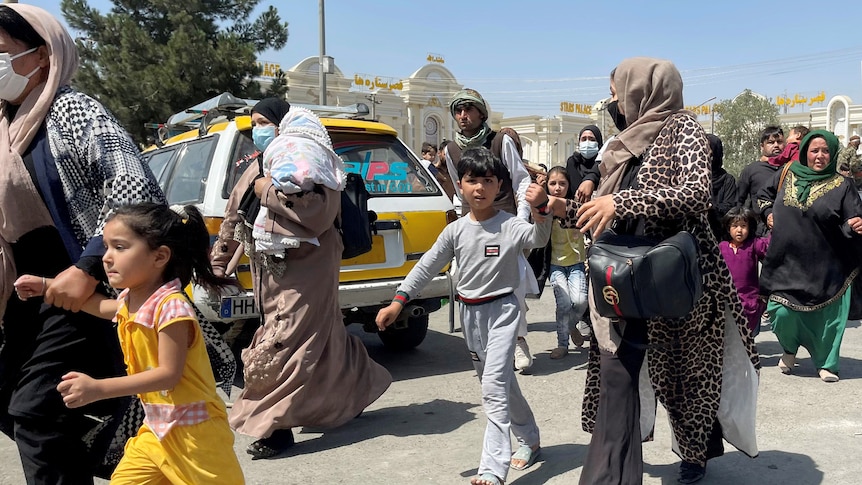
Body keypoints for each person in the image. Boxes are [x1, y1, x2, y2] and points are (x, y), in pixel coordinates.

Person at [529, 57, 759, 484]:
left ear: (643, 89)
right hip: (623, 277)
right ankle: (615, 465)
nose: (613, 100)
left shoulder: (682, 129)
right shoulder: (624, 142)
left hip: (677, 280)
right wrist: (563, 209)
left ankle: (694, 455)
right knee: (619, 374)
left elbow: (694, 194)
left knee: (683, 376)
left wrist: (622, 202)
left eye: (617, 91)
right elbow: (608, 212)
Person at [0, 5, 167, 483]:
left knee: (35, 409)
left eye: (2, 51)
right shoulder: (3, 124)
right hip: (25, 293)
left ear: (42, 56)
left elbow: (136, 189)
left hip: (83, 289)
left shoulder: (72, 111)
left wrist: (90, 265)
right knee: (13, 401)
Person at [15, 203, 245, 484]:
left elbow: (167, 375)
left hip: (196, 434)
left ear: (159, 256)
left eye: (120, 247)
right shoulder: (131, 300)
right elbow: (100, 307)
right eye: (107, 247)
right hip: (156, 431)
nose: (107, 258)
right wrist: (47, 286)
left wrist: (98, 388)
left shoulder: (171, 308)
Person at [211, 105, 392, 460]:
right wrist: (219, 261)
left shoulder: (312, 164)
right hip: (269, 271)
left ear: (284, 125)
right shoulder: (257, 166)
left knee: (286, 341)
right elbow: (234, 216)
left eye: (265, 123)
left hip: (310, 268)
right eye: (255, 125)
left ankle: (274, 427)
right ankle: (359, 387)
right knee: (324, 336)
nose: (259, 130)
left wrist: (266, 189)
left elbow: (317, 215)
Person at [376, 147, 550, 485]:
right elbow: (427, 265)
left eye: (488, 180)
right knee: (501, 383)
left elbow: (538, 238)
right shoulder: (455, 231)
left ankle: (492, 469)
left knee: (493, 387)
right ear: (460, 185)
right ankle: (530, 438)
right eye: (472, 181)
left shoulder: (511, 226)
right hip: (470, 315)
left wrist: (541, 207)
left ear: (500, 184)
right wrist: (398, 301)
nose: (480, 188)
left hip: (503, 311)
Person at [442, 88, 537, 372]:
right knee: (466, 280)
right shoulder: (451, 149)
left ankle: (518, 340)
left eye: (468, 109)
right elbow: (459, 191)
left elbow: (520, 180)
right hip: (472, 226)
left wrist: (520, 220)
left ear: (481, 113)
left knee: (513, 283)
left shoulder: (501, 140)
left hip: (505, 221)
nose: (463, 116)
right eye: (458, 111)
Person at [757, 130, 862, 382]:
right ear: (805, 151)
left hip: (827, 266)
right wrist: (768, 212)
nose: (820, 156)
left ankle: (827, 363)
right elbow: (762, 196)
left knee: (828, 318)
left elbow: (853, 219)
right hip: (786, 262)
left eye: (826, 151)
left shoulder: (843, 185)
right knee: (780, 312)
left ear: (833, 153)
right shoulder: (787, 173)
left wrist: (856, 225)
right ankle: (790, 349)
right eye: (815, 150)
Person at [544, 166, 587, 359]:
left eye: (562, 183)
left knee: (579, 301)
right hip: (556, 265)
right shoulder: (544, 210)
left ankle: (570, 327)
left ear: (569, 185)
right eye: (552, 183)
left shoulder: (575, 207)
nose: (557, 188)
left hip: (577, 263)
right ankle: (562, 345)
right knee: (563, 305)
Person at [718, 207, 770, 336]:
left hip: (750, 302)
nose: (739, 230)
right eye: (735, 226)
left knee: (748, 338)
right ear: (728, 228)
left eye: (743, 226)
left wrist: (774, 225)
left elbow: (771, 245)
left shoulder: (754, 244)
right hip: (727, 302)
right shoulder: (721, 247)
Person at [737, 125, 785, 235]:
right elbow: (739, 201)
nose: (776, 145)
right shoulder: (751, 170)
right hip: (760, 232)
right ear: (762, 146)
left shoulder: (790, 169)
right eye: (771, 142)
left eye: (779, 142)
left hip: (787, 229)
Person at [705, 134, 737, 240]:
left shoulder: (727, 180)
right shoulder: (692, 178)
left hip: (719, 236)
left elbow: (729, 207)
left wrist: (710, 207)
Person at [564, 125, 603, 203]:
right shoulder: (573, 162)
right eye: (584, 139)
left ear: (599, 143)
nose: (587, 142)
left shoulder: (605, 162)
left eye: (592, 139)